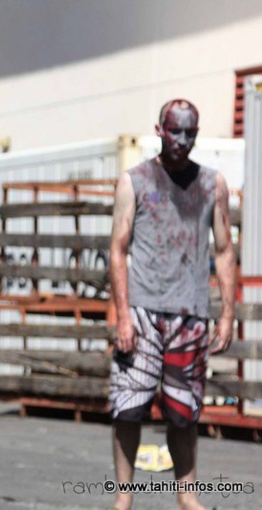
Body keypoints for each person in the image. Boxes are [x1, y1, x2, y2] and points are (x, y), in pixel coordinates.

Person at [108, 99, 236, 510]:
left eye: (190, 132)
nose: (182, 139)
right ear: (159, 130)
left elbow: (225, 251)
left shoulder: (212, 184)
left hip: (189, 316)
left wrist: (227, 313)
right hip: (142, 314)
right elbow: (117, 250)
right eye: (174, 130)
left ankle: (186, 496)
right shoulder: (135, 181)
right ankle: (123, 498)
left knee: (184, 412)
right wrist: (122, 316)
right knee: (128, 408)